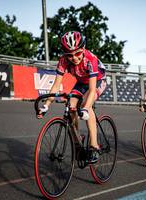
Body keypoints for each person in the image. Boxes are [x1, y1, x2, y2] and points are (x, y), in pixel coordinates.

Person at [37, 31, 107, 163]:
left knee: (87, 103)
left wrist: (86, 108)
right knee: (70, 105)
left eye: (77, 53)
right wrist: (46, 105)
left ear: (83, 49)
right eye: (70, 55)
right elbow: (56, 85)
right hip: (81, 82)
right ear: (64, 54)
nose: (74, 58)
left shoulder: (90, 59)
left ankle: (94, 146)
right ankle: (77, 140)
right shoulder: (63, 61)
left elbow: (92, 90)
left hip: (97, 81)